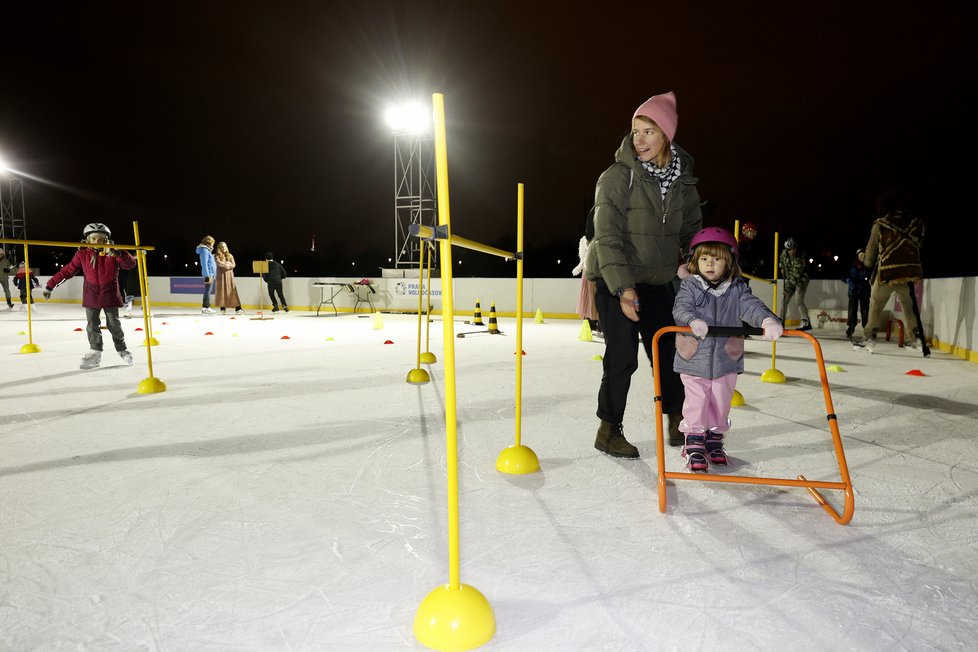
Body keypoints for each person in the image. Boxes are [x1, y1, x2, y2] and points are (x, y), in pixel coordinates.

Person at [584, 91, 702, 458]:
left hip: (658, 279)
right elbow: (606, 237)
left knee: (669, 351)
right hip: (613, 277)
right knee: (622, 357)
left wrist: (704, 260)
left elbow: (692, 231)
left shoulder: (683, 182)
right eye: (635, 131)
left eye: (649, 131)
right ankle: (609, 429)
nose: (639, 139)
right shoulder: (618, 177)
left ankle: (676, 419)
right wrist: (623, 289)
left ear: (666, 134)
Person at [673, 227, 783, 471]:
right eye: (704, 258)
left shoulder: (736, 288)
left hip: (726, 358)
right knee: (698, 400)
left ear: (730, 262)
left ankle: (714, 440)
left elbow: (751, 306)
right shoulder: (689, 286)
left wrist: (767, 320)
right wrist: (692, 321)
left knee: (721, 401)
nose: (710, 264)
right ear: (694, 261)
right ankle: (693, 443)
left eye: (717, 258)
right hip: (694, 356)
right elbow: (680, 308)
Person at [42, 223, 136, 369]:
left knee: (114, 324)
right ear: (87, 240)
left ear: (107, 240)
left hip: (110, 294)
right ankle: (95, 352)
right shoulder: (82, 254)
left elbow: (130, 265)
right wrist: (50, 285)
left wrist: (121, 253)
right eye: (93, 239)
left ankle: (122, 349)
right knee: (92, 325)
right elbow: (68, 271)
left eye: (101, 239)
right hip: (91, 295)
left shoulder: (113, 253)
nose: (97, 242)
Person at [857, 188, 925, 353]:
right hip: (908, 274)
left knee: (876, 305)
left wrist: (860, 255)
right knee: (909, 309)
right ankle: (915, 338)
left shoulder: (880, 224)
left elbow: (869, 260)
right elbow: (918, 248)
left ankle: (869, 338)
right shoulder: (916, 224)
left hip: (887, 274)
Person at [572, 206, 599, 334]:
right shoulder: (585, 241)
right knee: (590, 299)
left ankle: (596, 323)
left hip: (593, 271)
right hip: (590, 271)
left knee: (594, 298)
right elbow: (583, 258)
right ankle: (592, 323)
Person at [778, 237, 811, 330]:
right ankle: (781, 319)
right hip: (790, 279)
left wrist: (787, 288)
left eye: (793, 249)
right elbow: (782, 262)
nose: (791, 251)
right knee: (784, 300)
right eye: (789, 249)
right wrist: (782, 268)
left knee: (798, 301)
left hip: (801, 281)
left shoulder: (799, 258)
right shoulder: (784, 254)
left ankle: (805, 322)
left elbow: (795, 276)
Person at [843, 248, 871, 339]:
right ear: (857, 256)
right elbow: (843, 275)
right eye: (861, 255)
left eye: (864, 255)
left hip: (864, 291)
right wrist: (848, 280)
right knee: (852, 311)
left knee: (865, 311)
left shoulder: (868, 266)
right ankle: (851, 328)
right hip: (853, 291)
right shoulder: (851, 265)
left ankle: (867, 329)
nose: (862, 257)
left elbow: (871, 275)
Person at [214, 241, 244, 315]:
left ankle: (238, 308)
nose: (224, 248)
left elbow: (233, 264)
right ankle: (222, 308)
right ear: (219, 248)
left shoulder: (230, 255)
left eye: (225, 246)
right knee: (222, 292)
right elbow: (219, 264)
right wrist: (228, 264)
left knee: (233, 292)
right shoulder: (217, 256)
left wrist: (226, 264)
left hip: (229, 276)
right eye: (222, 247)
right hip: (221, 276)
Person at [197, 235, 217, 315]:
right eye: (212, 243)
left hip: (211, 273)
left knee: (208, 290)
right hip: (209, 274)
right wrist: (207, 275)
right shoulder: (204, 250)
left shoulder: (207, 250)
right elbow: (204, 263)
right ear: (209, 243)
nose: (213, 245)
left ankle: (206, 307)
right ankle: (205, 307)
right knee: (207, 291)